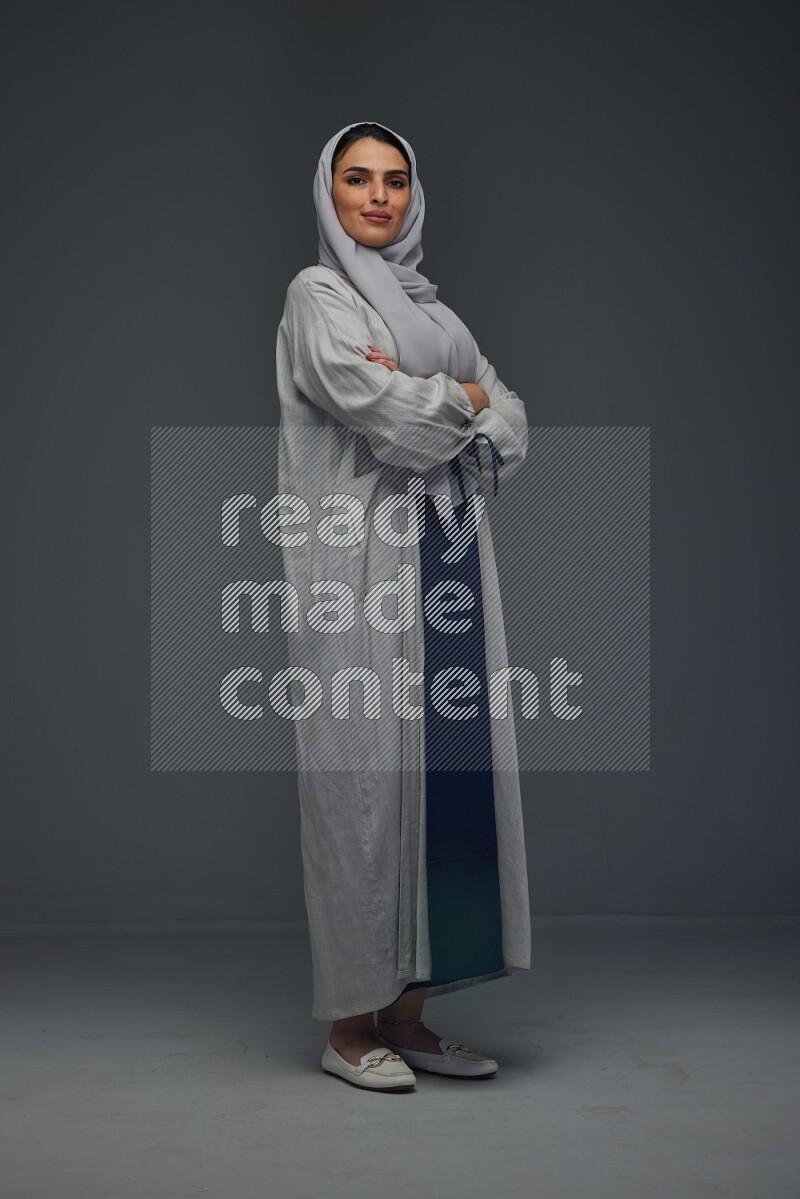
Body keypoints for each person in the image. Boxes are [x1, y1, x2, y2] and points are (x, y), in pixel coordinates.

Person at [275, 121, 531, 1091]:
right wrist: (457, 398)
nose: (375, 197)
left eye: (392, 181)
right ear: (328, 192)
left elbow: (508, 421)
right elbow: (383, 412)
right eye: (356, 179)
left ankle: (410, 1016)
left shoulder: (435, 313)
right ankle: (348, 1025)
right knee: (361, 786)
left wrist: (445, 392)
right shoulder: (318, 296)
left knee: (446, 779)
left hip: (450, 568)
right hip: (361, 570)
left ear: (411, 197)